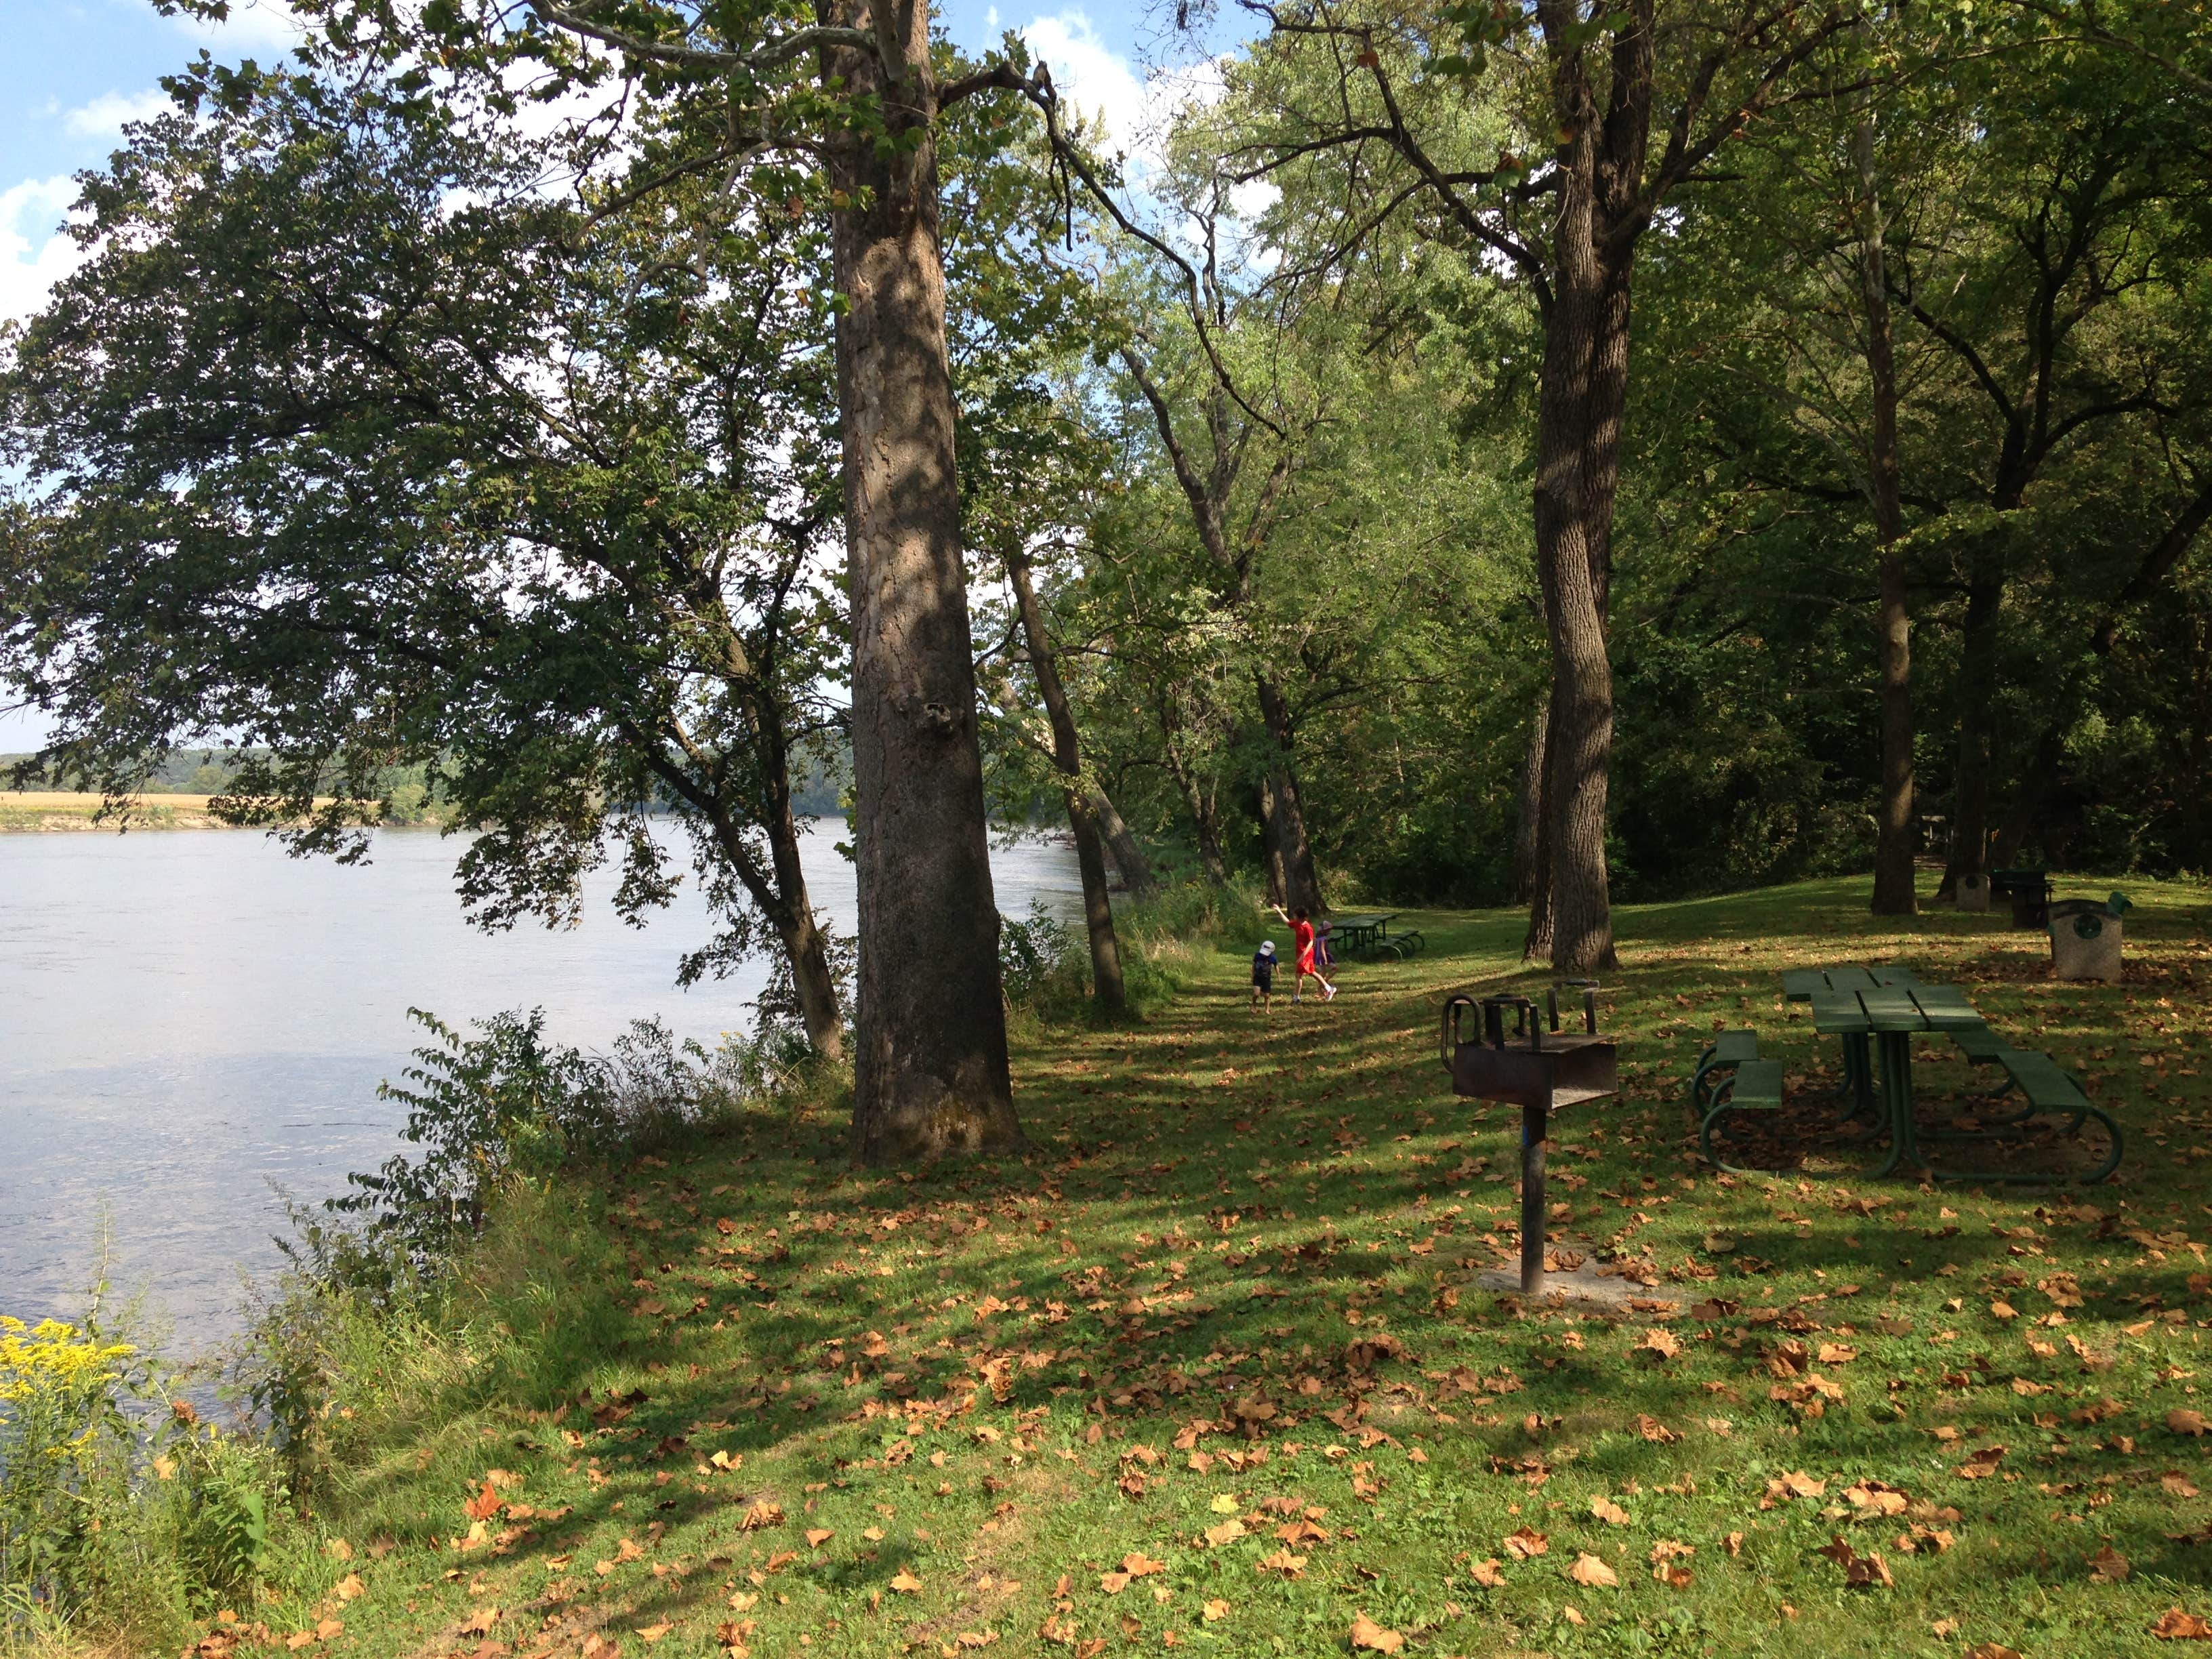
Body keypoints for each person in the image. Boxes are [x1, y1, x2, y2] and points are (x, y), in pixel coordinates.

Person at [1269, 903, 1336, 1002]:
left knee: (1298, 975)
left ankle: (1296, 998)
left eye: (1295, 915)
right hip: (1300, 954)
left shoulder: (1307, 928)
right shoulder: (1297, 924)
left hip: (1306, 954)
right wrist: (1279, 911)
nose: (1294, 917)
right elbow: (1288, 922)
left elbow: (1311, 942)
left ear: (1300, 917)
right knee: (1312, 973)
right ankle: (1328, 988)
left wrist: (1303, 955)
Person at [1250, 939, 1277, 1009]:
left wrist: (1279, 976)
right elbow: (1254, 965)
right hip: (1257, 977)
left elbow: (1276, 966)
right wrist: (1252, 975)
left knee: (1267, 995)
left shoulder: (1273, 958)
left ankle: (1267, 1009)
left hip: (1266, 978)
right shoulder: (1257, 956)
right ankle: (1253, 1004)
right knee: (1256, 994)